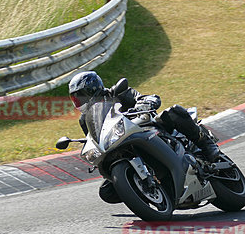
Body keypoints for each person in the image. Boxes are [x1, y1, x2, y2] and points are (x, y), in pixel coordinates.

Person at [67, 71, 221, 203]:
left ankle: (206, 144)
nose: (80, 102)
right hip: (120, 145)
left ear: (94, 89)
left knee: (173, 112)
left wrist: (144, 104)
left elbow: (149, 98)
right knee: (107, 192)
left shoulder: (118, 93)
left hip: (148, 129)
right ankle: (148, 190)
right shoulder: (85, 119)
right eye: (76, 99)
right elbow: (96, 137)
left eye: (82, 96)